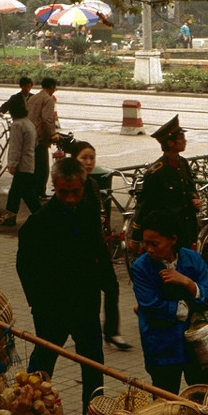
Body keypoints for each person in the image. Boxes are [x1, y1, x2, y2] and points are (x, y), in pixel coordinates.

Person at [16, 158, 110, 415]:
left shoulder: (90, 214)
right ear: (54, 188)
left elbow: (99, 255)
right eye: (63, 192)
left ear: (83, 187)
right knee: (43, 364)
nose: (70, 199)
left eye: (76, 192)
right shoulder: (39, 223)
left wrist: (107, 290)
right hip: (51, 309)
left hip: (85, 305)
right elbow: (25, 267)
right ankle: (30, 412)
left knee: (93, 363)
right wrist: (37, 303)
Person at [130, 210, 208, 394]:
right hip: (162, 346)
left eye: (155, 244)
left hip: (196, 345)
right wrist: (189, 306)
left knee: (205, 395)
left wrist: (187, 282)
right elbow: (152, 307)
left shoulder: (192, 259)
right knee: (165, 402)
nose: (149, 249)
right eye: (146, 243)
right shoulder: (141, 267)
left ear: (173, 239)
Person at [68, 140, 131, 352]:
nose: (88, 162)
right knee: (88, 295)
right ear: (74, 159)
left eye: (91, 158)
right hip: (83, 253)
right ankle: (85, 330)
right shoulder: (72, 186)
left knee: (112, 287)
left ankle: (112, 331)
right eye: (83, 157)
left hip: (99, 248)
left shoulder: (93, 184)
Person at [132, 116, 201, 250]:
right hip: (166, 233)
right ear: (170, 143)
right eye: (181, 138)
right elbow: (144, 204)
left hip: (185, 229)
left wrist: (194, 198)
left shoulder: (183, 163)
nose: (185, 141)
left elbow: (190, 188)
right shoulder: (157, 172)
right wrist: (136, 236)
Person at [0, 96, 38, 226]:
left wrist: (12, 164)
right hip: (29, 163)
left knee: (19, 194)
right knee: (23, 194)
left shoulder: (17, 125)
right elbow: (35, 144)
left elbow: (15, 147)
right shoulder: (29, 123)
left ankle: (10, 218)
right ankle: (9, 218)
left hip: (21, 165)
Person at [25, 77, 59, 198]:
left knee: (32, 166)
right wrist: (53, 134)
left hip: (29, 135)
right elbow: (47, 119)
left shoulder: (33, 98)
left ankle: (32, 190)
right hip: (39, 138)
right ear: (51, 87)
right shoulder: (48, 99)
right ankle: (40, 192)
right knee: (43, 167)